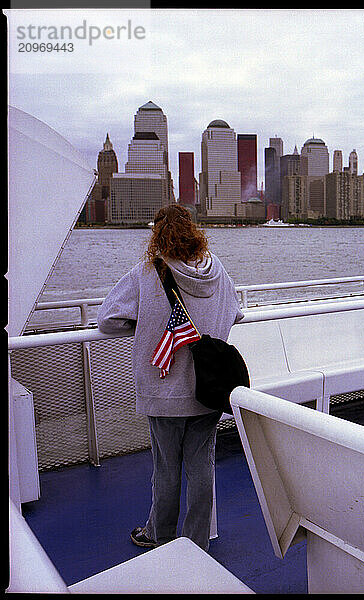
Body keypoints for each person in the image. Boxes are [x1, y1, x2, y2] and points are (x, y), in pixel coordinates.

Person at [97, 204, 244, 551]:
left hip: (163, 393)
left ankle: (160, 537)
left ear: (157, 234)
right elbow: (236, 313)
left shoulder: (148, 272)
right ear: (194, 231)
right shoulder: (218, 271)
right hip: (208, 391)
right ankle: (196, 543)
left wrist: (144, 325)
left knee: (165, 469)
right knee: (201, 469)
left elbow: (107, 320)